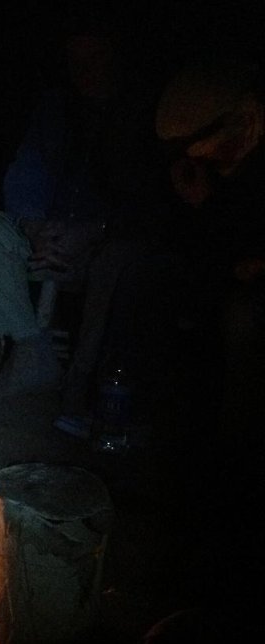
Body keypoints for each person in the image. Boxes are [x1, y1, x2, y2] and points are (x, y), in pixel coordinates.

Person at [0, 13, 161, 419]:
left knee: (120, 259)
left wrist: (92, 230)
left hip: (103, 244)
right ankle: (30, 350)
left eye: (95, 58)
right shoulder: (58, 108)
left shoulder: (145, 114)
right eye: (75, 60)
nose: (84, 70)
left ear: (116, 58)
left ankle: (87, 381)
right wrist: (34, 228)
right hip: (49, 237)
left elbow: (151, 204)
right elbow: (25, 173)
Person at [154, 54, 264, 492]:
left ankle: (234, 460)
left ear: (247, 115)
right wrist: (204, 206)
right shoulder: (223, 169)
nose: (215, 158)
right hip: (239, 282)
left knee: (243, 315)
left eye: (218, 147)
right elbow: (220, 245)